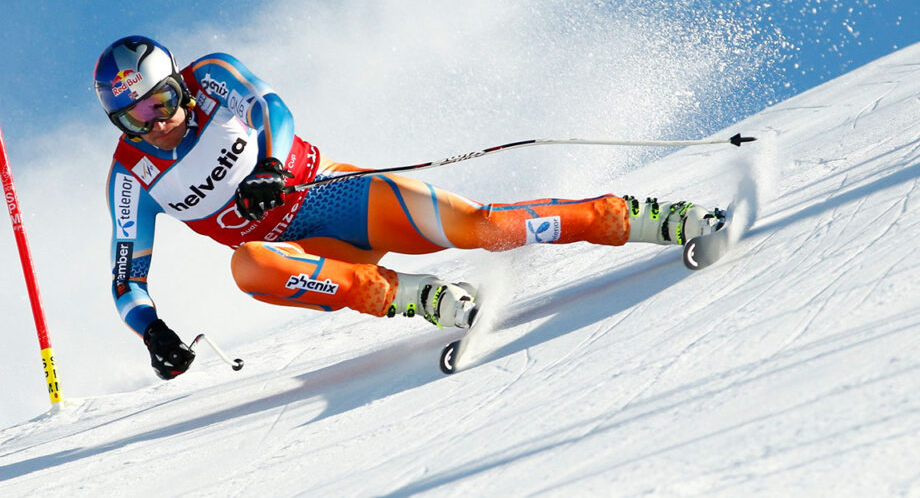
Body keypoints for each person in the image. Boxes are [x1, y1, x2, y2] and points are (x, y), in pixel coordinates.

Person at [94, 36, 726, 380]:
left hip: (333, 196)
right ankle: (421, 297)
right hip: (307, 253)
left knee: (486, 228)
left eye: (162, 100)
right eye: (134, 117)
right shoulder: (132, 175)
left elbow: (273, 110)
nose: (158, 123)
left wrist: (271, 167)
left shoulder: (212, 77)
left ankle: (646, 217)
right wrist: (152, 332)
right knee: (249, 266)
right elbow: (128, 279)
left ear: (179, 80)